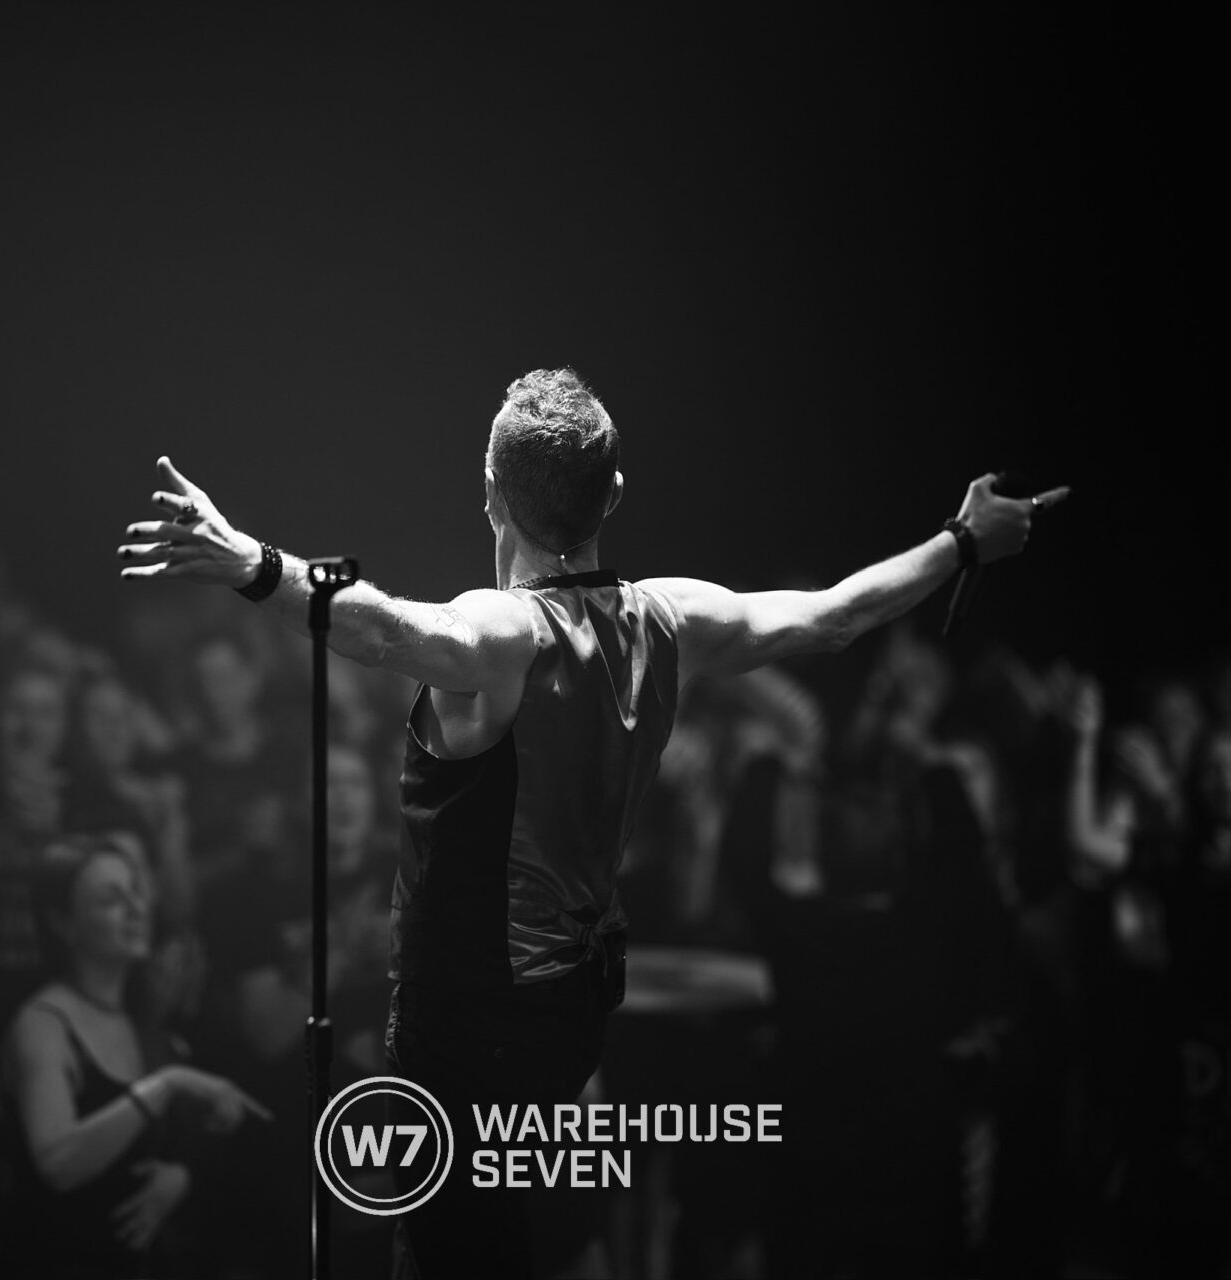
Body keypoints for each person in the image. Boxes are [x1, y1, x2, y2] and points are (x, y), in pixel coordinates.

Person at [115, 366, 1067, 1277]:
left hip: (469, 1017)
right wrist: (961, 541)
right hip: (573, 1012)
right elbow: (835, 617)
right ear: (612, 493)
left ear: (489, 491)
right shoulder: (671, 618)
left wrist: (251, 563)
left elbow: (382, 626)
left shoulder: (505, 634)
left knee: (456, 1250)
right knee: (512, 1234)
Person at [0, 834, 269, 1279]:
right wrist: (166, 1085)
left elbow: (171, 1142)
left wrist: (181, 1175)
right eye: (111, 900)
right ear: (62, 923)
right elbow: (58, 1164)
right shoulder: (43, 1023)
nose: (136, 909)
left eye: (137, 892)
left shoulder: (139, 1018)